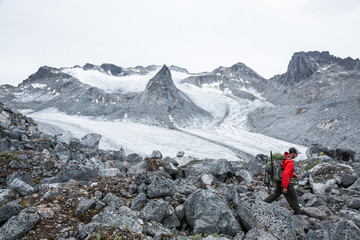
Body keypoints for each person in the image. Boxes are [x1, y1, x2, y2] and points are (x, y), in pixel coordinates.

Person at [264, 147, 301, 214]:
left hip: (279, 181)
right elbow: (285, 174)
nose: (297, 156)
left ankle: (262, 204)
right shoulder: (290, 162)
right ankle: (298, 216)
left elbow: (282, 169)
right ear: (292, 153)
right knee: (294, 199)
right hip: (285, 183)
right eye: (296, 154)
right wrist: (285, 187)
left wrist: (293, 175)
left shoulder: (284, 157)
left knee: (275, 194)